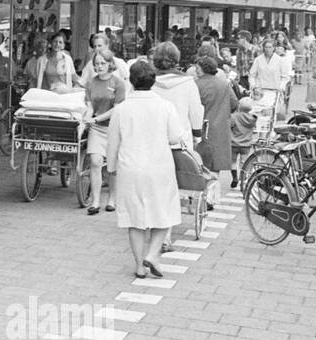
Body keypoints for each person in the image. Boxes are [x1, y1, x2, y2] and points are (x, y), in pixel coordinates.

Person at [106, 61, 189, 280]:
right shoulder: (165, 106)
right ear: (154, 81)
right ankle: (152, 254)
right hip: (159, 166)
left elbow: (112, 142)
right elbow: (174, 137)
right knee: (163, 214)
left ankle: (139, 266)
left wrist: (111, 167)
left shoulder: (122, 109)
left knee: (134, 219)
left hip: (130, 167)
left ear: (131, 82)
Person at [83, 52, 126, 215]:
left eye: (102, 63)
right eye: (97, 63)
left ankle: (112, 199)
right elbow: (89, 105)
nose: (99, 67)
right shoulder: (91, 83)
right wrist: (88, 116)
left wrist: (97, 118)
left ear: (110, 64)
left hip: (113, 128)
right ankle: (95, 201)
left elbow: (117, 108)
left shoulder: (118, 83)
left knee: (112, 166)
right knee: (95, 161)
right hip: (96, 127)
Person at [194, 54, 238, 184]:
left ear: (202, 69)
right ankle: (212, 197)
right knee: (215, 167)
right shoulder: (223, 84)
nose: (196, 70)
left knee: (200, 164)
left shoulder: (196, 85)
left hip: (201, 128)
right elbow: (234, 103)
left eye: (197, 68)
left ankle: (205, 197)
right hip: (220, 129)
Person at [250, 37, 290, 118]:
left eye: (270, 47)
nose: (268, 49)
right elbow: (252, 75)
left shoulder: (279, 60)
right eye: (266, 47)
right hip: (259, 91)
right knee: (257, 113)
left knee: (270, 114)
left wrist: (281, 87)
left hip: (273, 91)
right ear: (263, 48)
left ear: (274, 48)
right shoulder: (258, 60)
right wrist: (253, 86)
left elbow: (285, 77)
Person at [229, 96, 259, 190]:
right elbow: (254, 130)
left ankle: (234, 178)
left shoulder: (234, 117)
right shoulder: (252, 118)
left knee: (233, 162)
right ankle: (243, 180)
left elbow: (229, 126)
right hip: (246, 144)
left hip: (233, 143)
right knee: (244, 162)